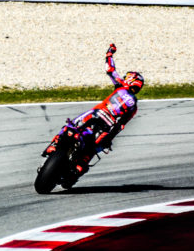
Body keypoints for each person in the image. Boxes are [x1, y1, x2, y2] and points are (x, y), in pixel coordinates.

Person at [43, 43, 143, 179]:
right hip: (108, 126)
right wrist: (110, 137)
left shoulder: (121, 86)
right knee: (95, 148)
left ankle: (54, 145)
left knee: (70, 126)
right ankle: (79, 167)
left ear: (130, 79)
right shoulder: (134, 106)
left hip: (95, 114)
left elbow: (110, 69)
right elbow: (121, 125)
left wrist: (109, 54)